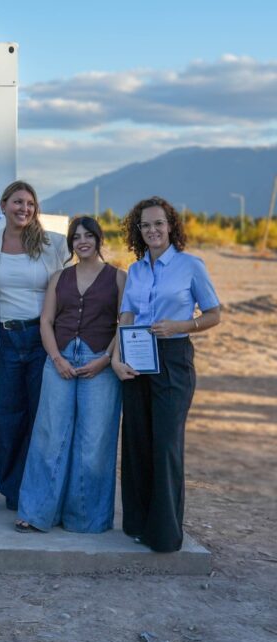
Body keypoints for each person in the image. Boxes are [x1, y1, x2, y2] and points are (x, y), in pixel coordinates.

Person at [112, 197, 220, 552]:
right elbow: (126, 316)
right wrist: (117, 357)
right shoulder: (137, 269)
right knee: (138, 440)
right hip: (137, 356)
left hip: (173, 358)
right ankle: (138, 524)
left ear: (171, 226)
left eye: (158, 223)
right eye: (145, 225)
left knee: (166, 444)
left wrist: (180, 324)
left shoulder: (191, 266)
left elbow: (213, 314)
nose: (152, 230)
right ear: (137, 231)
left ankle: (165, 534)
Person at [15, 216, 126, 533]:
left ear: (99, 239)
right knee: (50, 437)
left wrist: (105, 359)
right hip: (59, 360)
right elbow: (46, 322)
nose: (82, 241)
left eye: (88, 235)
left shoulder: (119, 278)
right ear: (71, 243)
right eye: (76, 237)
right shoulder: (58, 278)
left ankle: (85, 518)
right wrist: (56, 358)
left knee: (93, 443)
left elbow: (125, 324)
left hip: (99, 365)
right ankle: (37, 512)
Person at [0, 180, 69, 510]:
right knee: (8, 417)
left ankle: (39, 490)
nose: (24, 208)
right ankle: (13, 493)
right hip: (5, 341)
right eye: (17, 202)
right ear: (3, 206)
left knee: (40, 418)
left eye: (30, 203)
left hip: (41, 339)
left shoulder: (52, 244)